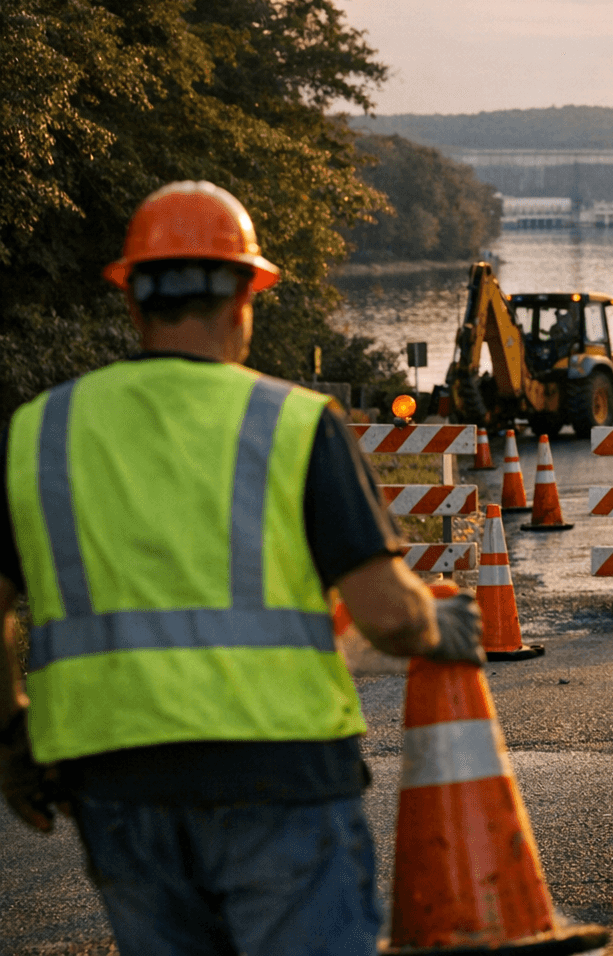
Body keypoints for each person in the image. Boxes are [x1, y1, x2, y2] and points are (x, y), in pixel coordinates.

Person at [0, 181, 485, 956]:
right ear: (242, 302)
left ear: (133, 303)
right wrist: (438, 622)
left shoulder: (40, 432)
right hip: (278, 776)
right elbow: (387, 615)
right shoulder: (292, 424)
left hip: (114, 783)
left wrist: (9, 732)